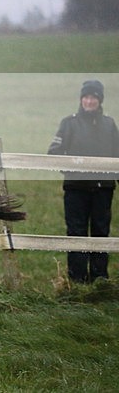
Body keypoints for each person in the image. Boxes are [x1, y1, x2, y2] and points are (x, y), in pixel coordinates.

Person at [47, 80, 119, 283]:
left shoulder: (109, 124)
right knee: (77, 233)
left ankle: (100, 279)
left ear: (100, 100)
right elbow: (54, 153)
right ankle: (77, 280)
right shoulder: (68, 124)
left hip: (103, 190)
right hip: (76, 190)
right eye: (86, 97)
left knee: (100, 232)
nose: (89, 101)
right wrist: (74, 171)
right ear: (81, 99)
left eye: (93, 97)